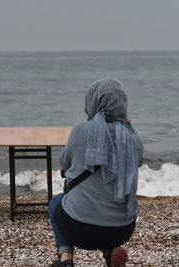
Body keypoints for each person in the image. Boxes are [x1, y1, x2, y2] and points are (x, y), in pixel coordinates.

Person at [48, 78, 143, 267]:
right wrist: (127, 124)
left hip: (80, 229)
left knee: (56, 203)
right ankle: (112, 249)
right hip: (123, 229)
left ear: (92, 101)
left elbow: (65, 164)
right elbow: (137, 163)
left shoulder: (81, 130)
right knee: (109, 200)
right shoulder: (133, 138)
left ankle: (66, 259)